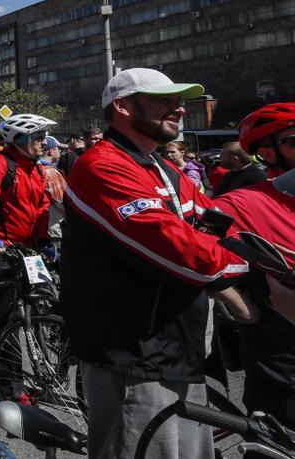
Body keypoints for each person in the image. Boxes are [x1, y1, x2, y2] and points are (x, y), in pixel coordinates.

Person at [61, 68, 255, 459]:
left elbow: (212, 220)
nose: (179, 109)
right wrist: (241, 270)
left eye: (179, 101)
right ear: (122, 106)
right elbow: (174, 246)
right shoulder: (103, 165)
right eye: (165, 100)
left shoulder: (162, 168)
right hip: (134, 353)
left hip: (176, 344)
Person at [213, 102, 295, 432]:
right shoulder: (243, 203)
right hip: (284, 360)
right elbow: (183, 248)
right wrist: (235, 301)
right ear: (266, 151)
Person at [0, 113, 54, 335]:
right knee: (9, 307)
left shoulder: (36, 167)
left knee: (44, 295)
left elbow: (42, 206)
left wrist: (44, 237)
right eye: (39, 136)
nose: (44, 141)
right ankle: (7, 368)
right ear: (20, 139)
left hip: (28, 244)